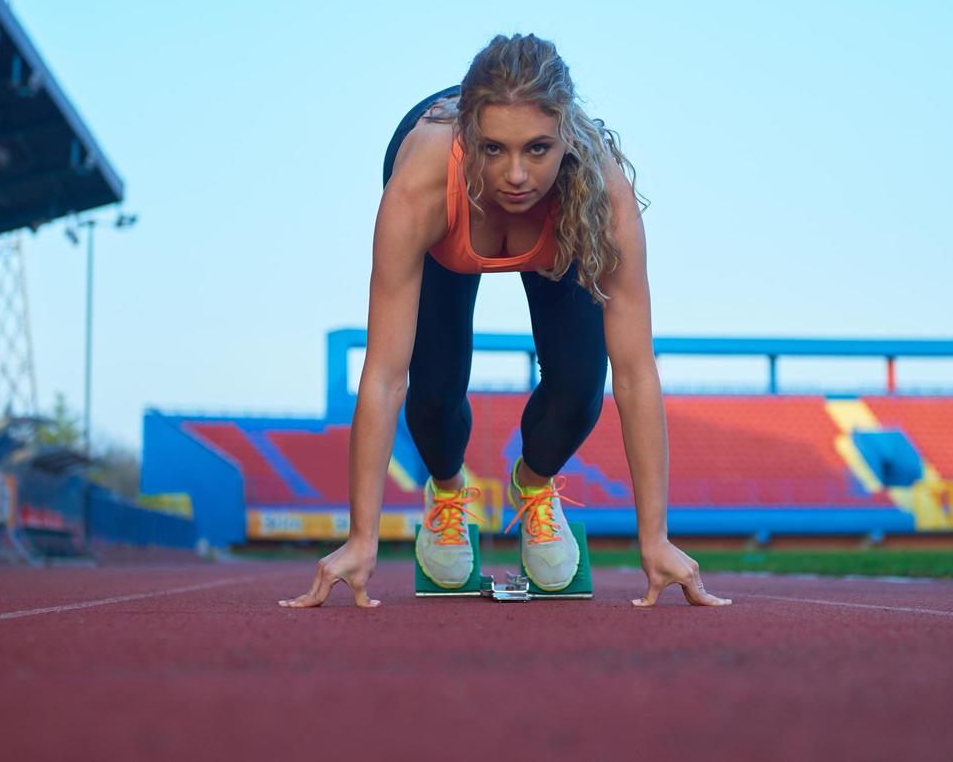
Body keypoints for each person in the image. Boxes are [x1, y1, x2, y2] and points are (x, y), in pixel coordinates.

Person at [280, 33, 730, 609]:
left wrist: (656, 538)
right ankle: (447, 493)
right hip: (452, 215)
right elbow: (386, 373)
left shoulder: (601, 192)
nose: (517, 176)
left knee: (578, 388)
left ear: (567, 137)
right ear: (469, 136)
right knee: (435, 389)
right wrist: (362, 539)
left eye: (538, 149)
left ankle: (535, 486)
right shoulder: (420, 183)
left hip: (563, 217)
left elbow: (636, 372)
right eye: (494, 149)